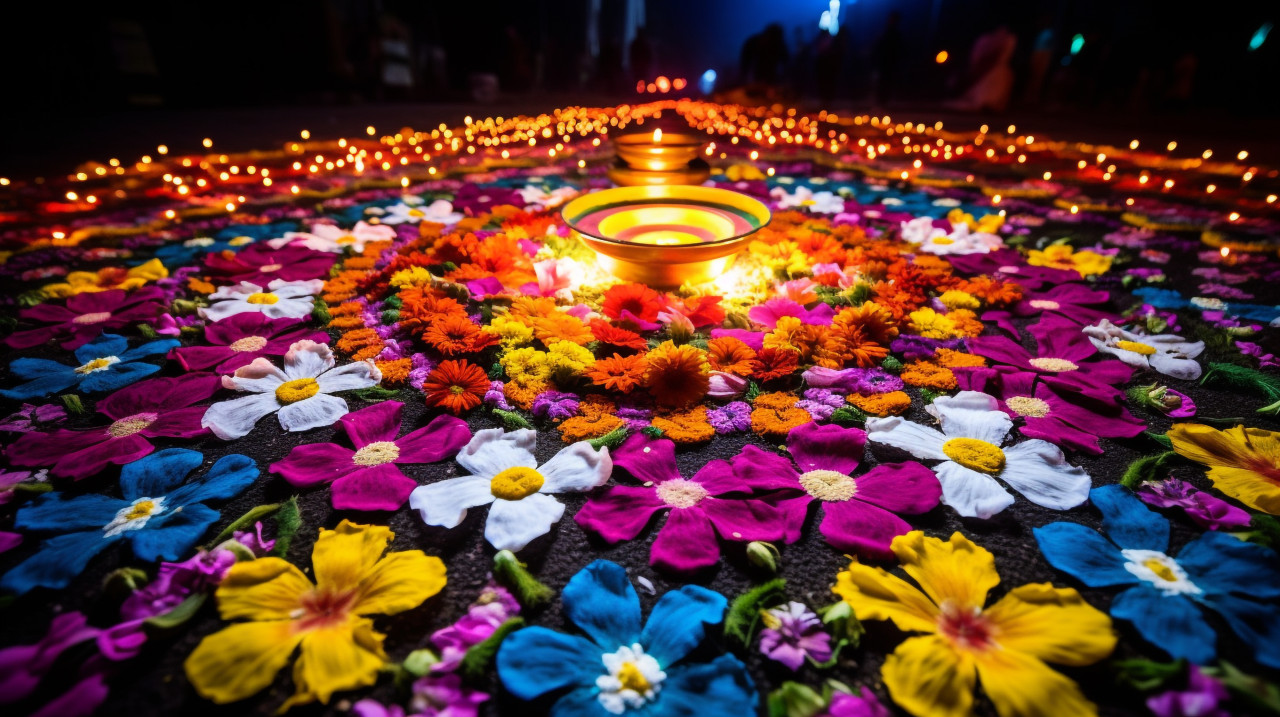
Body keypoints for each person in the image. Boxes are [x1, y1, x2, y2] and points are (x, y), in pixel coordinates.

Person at [950, 24, 1018, 112]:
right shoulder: (983, 39)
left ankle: (989, 103)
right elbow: (976, 58)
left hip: (997, 72)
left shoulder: (1009, 39)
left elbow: (1001, 57)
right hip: (985, 71)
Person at [871, 12, 903, 106]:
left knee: (887, 84)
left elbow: (900, 50)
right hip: (883, 63)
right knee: (881, 84)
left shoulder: (896, 35)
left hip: (891, 64)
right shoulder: (884, 32)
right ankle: (880, 103)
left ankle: (885, 103)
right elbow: (878, 47)